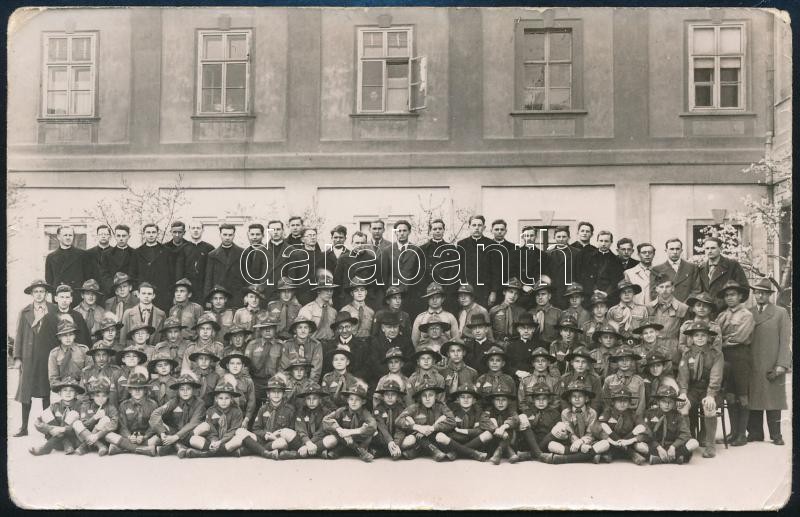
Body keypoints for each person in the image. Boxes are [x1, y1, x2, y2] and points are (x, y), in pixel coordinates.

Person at [746, 278, 791, 446]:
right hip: (753, 363)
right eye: (757, 293)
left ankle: (776, 434)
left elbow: (785, 341)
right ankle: (755, 433)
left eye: (764, 293)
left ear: (769, 295)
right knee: (754, 398)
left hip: (772, 363)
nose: (760, 296)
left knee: (773, 399)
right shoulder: (748, 313)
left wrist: (781, 365)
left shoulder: (780, 313)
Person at [30, 285, 91, 407]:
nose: (64, 300)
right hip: (56, 361)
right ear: (56, 298)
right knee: (52, 398)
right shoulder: (49, 318)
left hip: (75, 360)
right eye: (61, 297)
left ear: (71, 299)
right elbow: (43, 344)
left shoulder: (78, 316)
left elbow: (84, 340)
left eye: (67, 297)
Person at [13, 279, 56, 437]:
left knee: (46, 393)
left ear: (46, 293)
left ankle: (47, 430)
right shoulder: (25, 311)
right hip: (29, 357)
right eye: (36, 291)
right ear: (32, 294)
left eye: (42, 291)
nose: (39, 294)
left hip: (47, 355)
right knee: (26, 392)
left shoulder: (53, 309)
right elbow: (19, 336)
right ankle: (24, 427)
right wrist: (18, 358)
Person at [715, 280, 755, 447]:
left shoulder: (747, 315)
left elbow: (740, 337)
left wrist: (722, 340)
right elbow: (715, 334)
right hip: (725, 358)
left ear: (740, 296)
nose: (729, 298)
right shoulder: (722, 315)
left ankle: (742, 434)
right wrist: (723, 340)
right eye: (726, 295)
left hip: (740, 356)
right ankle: (732, 432)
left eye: (733, 294)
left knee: (742, 395)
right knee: (730, 395)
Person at [676, 321, 724, 458]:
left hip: (709, 389)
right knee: (682, 405)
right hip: (692, 389)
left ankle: (710, 446)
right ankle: (687, 441)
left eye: (703, 335)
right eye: (696, 335)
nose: (700, 338)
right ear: (691, 338)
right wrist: (683, 393)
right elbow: (683, 375)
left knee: (709, 406)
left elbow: (716, 375)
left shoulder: (716, 354)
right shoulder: (687, 354)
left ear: (708, 337)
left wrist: (711, 395)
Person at [547, 380, 607, 464]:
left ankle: (565, 459)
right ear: (569, 399)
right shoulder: (565, 413)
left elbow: (590, 433)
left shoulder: (592, 413)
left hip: (588, 442)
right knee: (551, 445)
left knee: (605, 444)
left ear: (586, 399)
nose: (577, 399)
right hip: (571, 444)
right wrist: (579, 445)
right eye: (573, 396)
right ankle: (590, 456)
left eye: (580, 396)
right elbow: (570, 433)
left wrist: (581, 442)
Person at [184, 376, 245, 458]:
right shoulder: (211, 411)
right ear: (216, 399)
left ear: (231, 399)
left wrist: (221, 441)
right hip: (213, 441)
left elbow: (233, 430)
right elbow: (211, 430)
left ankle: (205, 454)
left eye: (227, 398)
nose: (223, 401)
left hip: (228, 440)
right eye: (221, 398)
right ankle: (226, 452)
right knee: (193, 440)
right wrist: (214, 441)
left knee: (238, 440)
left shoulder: (237, 411)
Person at [396, 379, 455, 461]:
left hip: (436, 437)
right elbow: (398, 420)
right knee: (412, 438)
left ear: (435, 396)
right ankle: (434, 451)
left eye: (431, 395)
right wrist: (416, 427)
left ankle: (417, 451)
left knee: (441, 436)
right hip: (418, 438)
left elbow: (452, 421)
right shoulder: (415, 408)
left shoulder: (441, 406)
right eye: (424, 395)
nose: (427, 398)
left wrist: (432, 428)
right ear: (420, 397)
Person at [148, 373, 206, 457]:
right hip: (174, 432)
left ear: (193, 390)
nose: (185, 392)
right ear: (178, 391)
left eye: (188, 389)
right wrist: (162, 432)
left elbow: (193, 423)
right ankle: (178, 446)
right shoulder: (174, 401)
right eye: (182, 389)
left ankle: (173, 446)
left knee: (201, 429)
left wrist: (176, 437)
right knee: (153, 437)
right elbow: (156, 413)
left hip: (190, 434)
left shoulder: (199, 403)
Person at [106, 366, 159, 456]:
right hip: (130, 437)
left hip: (146, 437)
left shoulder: (152, 404)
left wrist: (145, 436)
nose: (137, 391)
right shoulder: (124, 405)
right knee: (109, 435)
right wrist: (129, 436)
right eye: (134, 388)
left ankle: (123, 447)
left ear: (145, 390)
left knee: (158, 438)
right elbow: (123, 426)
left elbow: (153, 426)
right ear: (130, 390)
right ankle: (142, 449)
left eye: (140, 388)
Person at [321, 379, 378, 462]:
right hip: (343, 439)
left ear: (363, 401)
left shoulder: (365, 413)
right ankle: (357, 450)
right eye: (351, 399)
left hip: (359, 440)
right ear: (347, 400)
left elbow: (373, 425)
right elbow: (326, 419)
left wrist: (350, 432)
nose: (353, 402)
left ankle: (344, 450)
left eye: (357, 400)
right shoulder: (342, 411)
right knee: (333, 436)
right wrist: (340, 430)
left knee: (372, 433)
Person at [642, 385, 699, 465]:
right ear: (658, 402)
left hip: (673, 447)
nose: (667, 405)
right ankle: (676, 458)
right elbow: (646, 434)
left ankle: (659, 459)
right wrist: (658, 447)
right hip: (655, 446)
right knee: (639, 446)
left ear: (674, 403)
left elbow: (686, 434)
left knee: (694, 443)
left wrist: (673, 446)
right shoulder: (650, 413)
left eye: (670, 402)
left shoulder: (678, 415)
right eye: (664, 401)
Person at [28, 376, 84, 456]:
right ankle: (66, 443)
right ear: (59, 393)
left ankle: (45, 448)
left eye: (71, 391)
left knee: (73, 414)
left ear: (76, 393)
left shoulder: (80, 405)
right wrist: (50, 429)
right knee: (46, 414)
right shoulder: (55, 406)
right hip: (58, 443)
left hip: (74, 440)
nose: (68, 393)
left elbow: (84, 425)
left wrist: (63, 429)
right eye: (65, 390)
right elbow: (37, 422)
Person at [595, 387, 648, 465]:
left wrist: (629, 441)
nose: (622, 404)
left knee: (640, 428)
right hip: (612, 442)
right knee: (604, 425)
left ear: (629, 403)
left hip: (629, 443)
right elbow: (597, 427)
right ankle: (632, 454)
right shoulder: (608, 412)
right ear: (613, 402)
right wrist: (612, 440)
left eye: (625, 401)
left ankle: (610, 454)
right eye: (619, 401)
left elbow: (646, 429)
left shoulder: (633, 414)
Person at [646, 274, 689, 369]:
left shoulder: (682, 308)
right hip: (653, 347)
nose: (664, 290)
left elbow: (685, 334)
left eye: (667, 286)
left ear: (673, 288)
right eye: (661, 287)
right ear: (656, 289)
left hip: (673, 349)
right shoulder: (648, 307)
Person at [132, 223, 177, 312]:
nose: (151, 235)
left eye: (153, 232)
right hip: (144, 292)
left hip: (162, 293)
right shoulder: (137, 252)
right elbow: (133, 272)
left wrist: (171, 292)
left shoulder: (166, 251)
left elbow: (172, 274)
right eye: (148, 232)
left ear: (157, 234)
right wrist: (135, 289)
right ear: (144, 234)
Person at [381, 220, 424, 314]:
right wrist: (388, 292)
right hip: (393, 294)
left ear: (409, 232)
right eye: (399, 231)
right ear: (395, 232)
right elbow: (384, 275)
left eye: (404, 230)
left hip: (410, 294)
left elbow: (419, 274)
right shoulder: (387, 251)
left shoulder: (417, 250)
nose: (402, 233)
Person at [419, 219, 461, 314]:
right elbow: (420, 273)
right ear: (430, 231)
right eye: (435, 229)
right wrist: (428, 290)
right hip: (428, 292)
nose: (437, 231)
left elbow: (454, 272)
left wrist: (445, 291)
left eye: (440, 228)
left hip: (446, 292)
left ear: (444, 230)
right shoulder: (423, 249)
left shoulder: (451, 249)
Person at [697, 237, 750, 308]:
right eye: (707, 248)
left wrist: (729, 305)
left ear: (720, 249)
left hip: (727, 310)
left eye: (713, 248)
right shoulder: (701, 268)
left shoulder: (732, 265)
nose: (709, 251)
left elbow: (744, 290)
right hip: (707, 310)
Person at [515, 382, 561, 463]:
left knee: (559, 427)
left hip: (547, 442)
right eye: (538, 399)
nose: (541, 402)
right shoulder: (528, 412)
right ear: (533, 400)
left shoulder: (554, 413)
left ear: (549, 400)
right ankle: (539, 455)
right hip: (531, 442)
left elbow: (557, 433)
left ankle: (531, 454)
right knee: (523, 419)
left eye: (544, 399)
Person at [71, 378, 119, 456]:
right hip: (85, 435)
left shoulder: (111, 407)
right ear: (92, 396)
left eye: (104, 396)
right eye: (97, 396)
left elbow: (114, 424)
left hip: (101, 437)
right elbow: (84, 424)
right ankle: (100, 446)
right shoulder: (86, 406)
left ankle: (84, 446)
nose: (100, 399)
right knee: (76, 423)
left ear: (108, 396)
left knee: (105, 419)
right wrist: (95, 417)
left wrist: (97, 435)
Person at [478, 379, 521, 465]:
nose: (500, 403)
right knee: (492, 421)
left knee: (509, 427)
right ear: (493, 401)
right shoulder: (490, 410)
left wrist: (503, 427)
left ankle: (498, 452)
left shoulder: (510, 410)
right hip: (492, 445)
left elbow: (516, 419)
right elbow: (483, 420)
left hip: (509, 441)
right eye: (497, 400)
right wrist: (496, 429)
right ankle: (510, 453)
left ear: (508, 401)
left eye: (504, 400)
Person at [457, 215, 496, 308]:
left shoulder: (491, 244)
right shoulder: (462, 244)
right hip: (467, 290)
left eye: (479, 225)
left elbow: (495, 270)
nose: (477, 228)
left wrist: (493, 292)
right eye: (474, 225)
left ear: (484, 227)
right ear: (469, 227)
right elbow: (459, 269)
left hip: (485, 291)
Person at [203, 224, 246, 309]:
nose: (227, 238)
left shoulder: (242, 253)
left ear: (234, 235)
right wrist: (207, 298)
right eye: (225, 235)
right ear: (220, 235)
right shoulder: (212, 255)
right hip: (219, 296)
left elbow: (246, 277)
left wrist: (246, 296)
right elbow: (208, 278)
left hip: (237, 295)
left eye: (230, 235)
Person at [246, 312, 283, 406]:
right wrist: (249, 382)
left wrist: (277, 382)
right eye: (264, 328)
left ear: (275, 329)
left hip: (273, 382)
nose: (267, 330)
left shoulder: (280, 346)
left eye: (270, 328)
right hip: (255, 382)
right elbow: (245, 366)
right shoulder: (252, 345)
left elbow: (283, 367)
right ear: (260, 330)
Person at [284, 228, 327, 306]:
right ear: (303, 239)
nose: (312, 237)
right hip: (302, 295)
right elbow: (292, 278)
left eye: (314, 235)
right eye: (309, 235)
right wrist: (294, 297)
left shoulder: (323, 256)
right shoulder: (296, 255)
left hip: (320, 295)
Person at [601, 345, 646, 419]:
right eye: (621, 360)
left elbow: (642, 404)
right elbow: (605, 401)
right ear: (617, 362)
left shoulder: (639, 381)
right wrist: (609, 416)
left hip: (632, 416)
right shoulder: (609, 380)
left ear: (632, 362)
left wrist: (637, 419)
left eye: (627, 360)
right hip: (613, 416)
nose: (624, 363)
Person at [81, 330, 124, 406]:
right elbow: (83, 395)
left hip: (112, 407)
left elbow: (121, 395)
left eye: (104, 355)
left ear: (108, 356)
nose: (101, 358)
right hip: (92, 407)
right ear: (94, 357)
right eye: (98, 355)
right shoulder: (86, 372)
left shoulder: (116, 371)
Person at [578, 230, 625, 302]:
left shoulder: (616, 260)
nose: (603, 244)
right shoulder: (588, 257)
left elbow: (617, 280)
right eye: (601, 241)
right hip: (591, 295)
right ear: (597, 241)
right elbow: (585, 277)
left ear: (611, 242)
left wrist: (607, 293)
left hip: (609, 296)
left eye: (606, 241)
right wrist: (594, 290)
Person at [44, 225, 92, 294]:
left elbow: (88, 278)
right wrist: (55, 294)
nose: (68, 238)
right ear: (58, 237)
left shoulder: (82, 255)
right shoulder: (51, 257)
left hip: (76, 295)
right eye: (65, 235)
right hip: (59, 295)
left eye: (70, 235)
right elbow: (49, 281)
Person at [651, 238, 700, 303]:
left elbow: (696, 290)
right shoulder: (657, 269)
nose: (675, 252)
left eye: (677, 249)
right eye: (672, 249)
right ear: (666, 250)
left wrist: (685, 305)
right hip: (666, 306)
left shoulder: (692, 267)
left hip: (686, 306)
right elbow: (654, 292)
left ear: (681, 250)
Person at [368, 376, 407, 460]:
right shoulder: (378, 409)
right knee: (373, 432)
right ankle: (391, 451)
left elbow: (400, 429)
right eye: (387, 394)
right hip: (382, 439)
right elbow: (382, 427)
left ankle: (387, 451)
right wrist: (389, 441)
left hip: (396, 437)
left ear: (397, 396)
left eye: (393, 394)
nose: (390, 397)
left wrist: (396, 444)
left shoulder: (401, 409)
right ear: (383, 396)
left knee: (409, 439)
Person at [411, 282, 460, 347]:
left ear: (442, 299)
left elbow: (456, 340)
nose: (434, 300)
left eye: (438, 297)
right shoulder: (420, 318)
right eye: (431, 297)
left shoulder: (450, 317)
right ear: (427, 299)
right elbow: (414, 341)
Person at [556, 347, 603, 413]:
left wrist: (590, 415)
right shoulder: (565, 378)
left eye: (584, 362)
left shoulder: (594, 379)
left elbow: (596, 401)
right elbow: (563, 401)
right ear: (572, 362)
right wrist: (569, 414)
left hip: (589, 413)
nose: (580, 365)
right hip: (569, 413)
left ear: (588, 364)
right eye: (577, 361)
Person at [120, 282, 166, 348]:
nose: (146, 296)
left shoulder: (161, 314)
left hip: (154, 352)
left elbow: (163, 339)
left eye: (149, 294)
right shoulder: (128, 313)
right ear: (138, 295)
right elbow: (122, 340)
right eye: (143, 293)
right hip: (133, 352)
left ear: (153, 296)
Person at [292, 382, 330, 459]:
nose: (311, 402)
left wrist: (307, 446)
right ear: (305, 400)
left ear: (320, 399)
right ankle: (318, 452)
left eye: (314, 398)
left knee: (332, 440)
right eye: (308, 399)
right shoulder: (301, 411)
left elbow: (321, 432)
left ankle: (298, 454)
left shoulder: (326, 412)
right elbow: (301, 430)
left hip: (318, 441)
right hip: (304, 441)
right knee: (286, 432)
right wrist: (307, 443)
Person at [219, 351, 257, 430]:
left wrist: (246, 419)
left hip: (243, 417)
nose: (235, 366)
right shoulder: (222, 380)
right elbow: (217, 401)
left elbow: (251, 403)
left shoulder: (248, 381)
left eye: (238, 363)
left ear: (243, 366)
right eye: (232, 363)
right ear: (227, 366)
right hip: (225, 416)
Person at [48, 320, 90, 388]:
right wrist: (65, 386)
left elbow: (89, 373)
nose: (68, 338)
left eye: (71, 334)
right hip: (62, 388)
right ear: (59, 337)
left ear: (74, 336)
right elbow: (53, 380)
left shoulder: (83, 350)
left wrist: (79, 386)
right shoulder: (54, 354)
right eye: (64, 335)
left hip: (81, 387)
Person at [178, 221, 215, 300]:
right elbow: (179, 271)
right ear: (189, 230)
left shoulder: (209, 248)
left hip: (203, 288)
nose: (195, 230)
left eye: (198, 228)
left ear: (202, 230)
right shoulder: (182, 248)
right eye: (193, 228)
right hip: (187, 288)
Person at [280, 318, 324, 383]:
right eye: (300, 327)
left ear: (309, 329)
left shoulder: (316, 345)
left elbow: (316, 369)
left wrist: (310, 385)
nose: (303, 331)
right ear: (295, 330)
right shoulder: (287, 344)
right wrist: (289, 384)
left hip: (309, 381)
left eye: (306, 327)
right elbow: (285, 367)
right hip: (291, 381)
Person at [297, 275, 339, 342]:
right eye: (326, 289)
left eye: (331, 290)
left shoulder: (333, 311)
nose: (329, 293)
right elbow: (301, 333)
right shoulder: (307, 309)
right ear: (319, 291)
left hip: (330, 344)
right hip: (313, 344)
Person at [548, 226, 581, 309]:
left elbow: (579, 275)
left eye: (564, 236)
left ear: (569, 238)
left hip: (570, 293)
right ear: (554, 237)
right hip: (554, 294)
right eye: (558, 237)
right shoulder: (548, 254)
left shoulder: (577, 253)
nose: (561, 239)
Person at [487, 277, 526, 343]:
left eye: (516, 293)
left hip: (516, 344)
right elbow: (488, 330)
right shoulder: (494, 310)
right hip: (498, 343)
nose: (513, 296)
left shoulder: (522, 312)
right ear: (504, 292)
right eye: (511, 292)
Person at [99, 225, 136, 293]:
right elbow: (104, 274)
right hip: (113, 291)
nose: (121, 238)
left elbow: (136, 273)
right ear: (115, 236)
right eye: (118, 236)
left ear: (129, 236)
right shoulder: (106, 254)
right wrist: (113, 287)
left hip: (130, 291)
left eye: (124, 236)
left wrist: (132, 288)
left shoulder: (135, 253)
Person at [505, 313, 540, 380]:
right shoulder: (511, 346)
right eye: (523, 328)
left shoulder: (538, 346)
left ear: (533, 329)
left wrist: (530, 375)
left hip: (534, 378)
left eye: (529, 328)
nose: (526, 331)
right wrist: (517, 372)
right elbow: (507, 365)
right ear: (518, 329)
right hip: (515, 379)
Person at [104, 272, 139, 338]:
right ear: (116, 290)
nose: (122, 289)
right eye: (119, 287)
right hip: (113, 337)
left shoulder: (137, 302)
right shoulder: (109, 302)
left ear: (130, 287)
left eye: (125, 286)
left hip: (130, 338)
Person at [85, 225, 113, 291]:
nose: (103, 236)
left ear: (110, 236)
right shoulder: (88, 253)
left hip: (110, 289)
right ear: (97, 236)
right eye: (101, 234)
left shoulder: (115, 252)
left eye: (106, 234)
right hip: (93, 290)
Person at [241, 223, 268, 288]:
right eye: (252, 234)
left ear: (263, 235)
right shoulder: (243, 253)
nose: (254, 237)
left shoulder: (268, 252)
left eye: (258, 234)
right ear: (248, 235)